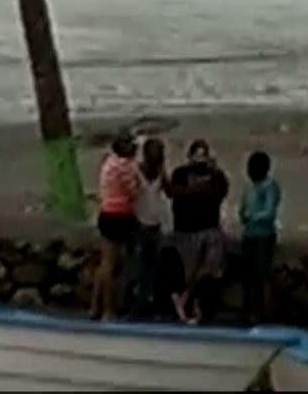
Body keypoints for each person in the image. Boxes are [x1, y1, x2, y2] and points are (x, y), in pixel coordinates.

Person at [165, 139, 229, 323]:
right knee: (190, 271)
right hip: (187, 230)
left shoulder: (216, 176)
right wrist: (200, 190)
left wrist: (214, 173)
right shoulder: (180, 173)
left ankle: (187, 299)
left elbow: (220, 192)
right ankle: (188, 302)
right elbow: (177, 193)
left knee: (210, 269)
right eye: (197, 154)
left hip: (210, 229)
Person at [91, 134, 141, 320]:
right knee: (112, 265)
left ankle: (95, 306)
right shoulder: (124, 166)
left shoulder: (108, 163)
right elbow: (133, 191)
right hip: (119, 215)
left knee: (104, 263)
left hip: (106, 212)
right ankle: (108, 309)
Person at [238, 149, 282, 321]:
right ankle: (248, 309)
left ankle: (261, 310)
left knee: (260, 274)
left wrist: (252, 217)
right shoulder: (249, 187)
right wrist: (243, 215)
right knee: (247, 275)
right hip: (249, 235)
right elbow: (243, 207)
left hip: (263, 235)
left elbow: (270, 212)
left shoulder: (270, 186)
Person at [127, 136, 168, 317]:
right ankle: (134, 304)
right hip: (139, 224)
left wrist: (164, 174)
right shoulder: (136, 171)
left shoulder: (160, 172)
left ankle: (147, 303)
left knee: (152, 268)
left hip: (155, 224)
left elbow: (170, 191)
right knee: (138, 267)